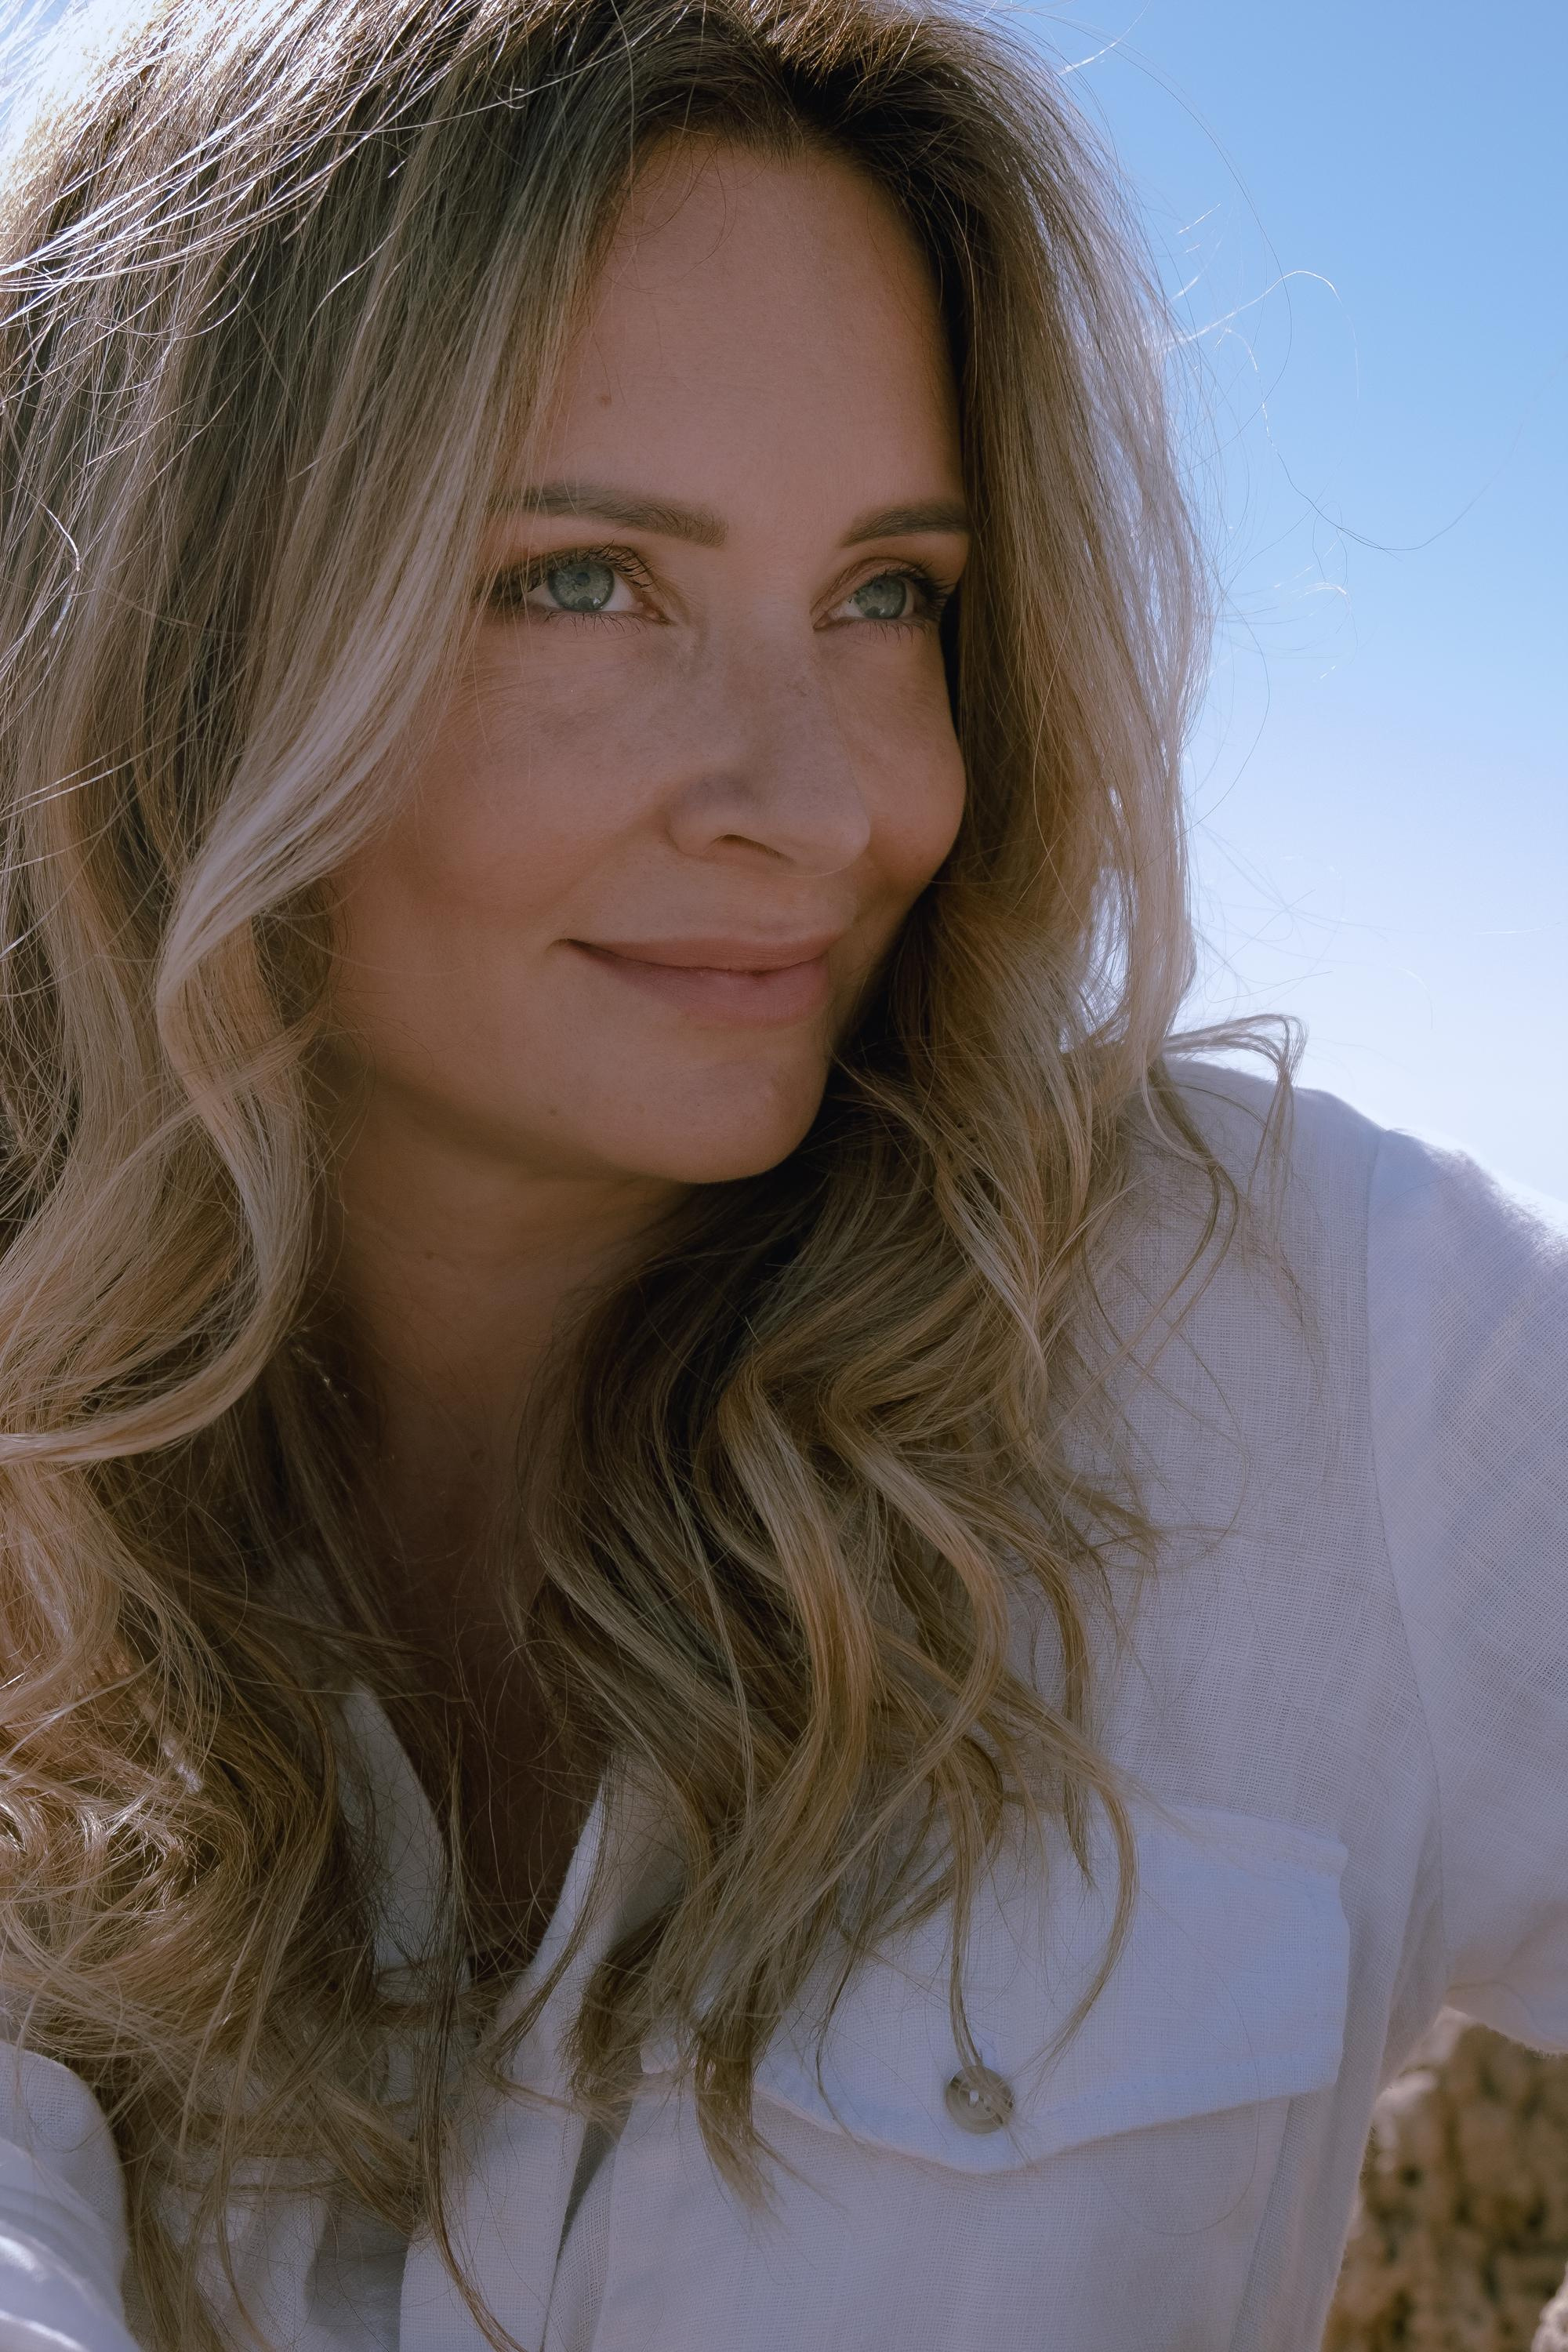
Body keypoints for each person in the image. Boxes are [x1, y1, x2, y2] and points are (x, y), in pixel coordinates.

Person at [0, 0, 1563, 2344]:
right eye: (582, 583)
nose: (823, 805)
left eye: (887, 597)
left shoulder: (1321, 1342)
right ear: (178, 637)